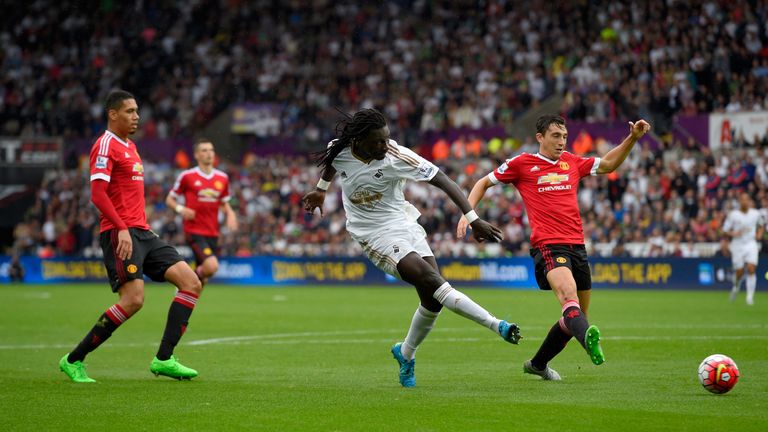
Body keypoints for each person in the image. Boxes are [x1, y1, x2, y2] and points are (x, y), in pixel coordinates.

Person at [302, 108, 521, 388]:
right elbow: (333, 161)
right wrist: (321, 188)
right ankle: (497, 325)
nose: (385, 145)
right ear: (358, 140)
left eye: (387, 139)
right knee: (435, 283)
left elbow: (443, 179)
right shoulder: (341, 148)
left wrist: (473, 218)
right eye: (378, 142)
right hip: (372, 234)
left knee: (431, 299)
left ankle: (405, 353)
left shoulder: (396, 156)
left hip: (404, 224)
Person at [458, 114, 651, 380]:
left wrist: (632, 138)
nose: (561, 142)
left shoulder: (572, 162)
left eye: (564, 136)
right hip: (548, 246)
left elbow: (607, 164)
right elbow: (483, 183)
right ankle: (590, 344)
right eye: (555, 136)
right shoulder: (522, 164)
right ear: (540, 137)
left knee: (576, 318)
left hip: (577, 247)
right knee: (568, 297)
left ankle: (537, 365)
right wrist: (469, 215)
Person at [59, 90, 203, 383]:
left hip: (143, 232)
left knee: (191, 283)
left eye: (137, 111)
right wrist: (122, 227)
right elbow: (98, 195)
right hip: (119, 232)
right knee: (134, 300)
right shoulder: (104, 146)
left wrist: (139, 225)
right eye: (129, 111)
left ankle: (164, 359)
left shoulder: (131, 147)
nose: (136, 116)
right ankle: (74, 359)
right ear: (113, 114)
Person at [166, 138, 238, 285]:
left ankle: (186, 296)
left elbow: (223, 203)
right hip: (194, 230)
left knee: (202, 279)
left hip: (212, 231)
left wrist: (230, 213)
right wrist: (181, 209)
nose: (209, 153)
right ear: (197, 155)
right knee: (211, 266)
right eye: (204, 150)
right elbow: (170, 199)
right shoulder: (187, 176)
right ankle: (187, 281)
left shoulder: (222, 178)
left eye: (211, 150)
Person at [723, 192, 764, 305]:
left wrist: (759, 234)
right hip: (737, 245)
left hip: (751, 243)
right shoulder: (733, 215)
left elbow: (761, 225)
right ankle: (736, 288)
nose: (745, 202)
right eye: (742, 199)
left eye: (747, 199)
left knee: (751, 269)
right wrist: (733, 233)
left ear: (749, 201)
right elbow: (724, 230)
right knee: (739, 272)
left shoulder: (755, 214)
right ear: (739, 201)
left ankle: (749, 297)